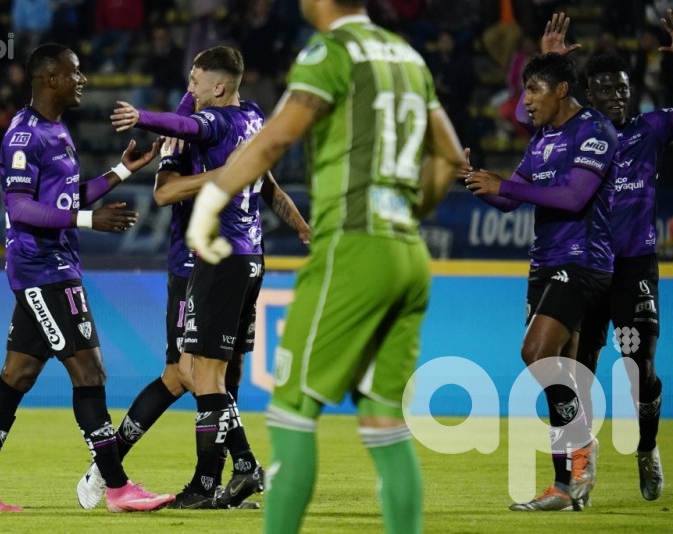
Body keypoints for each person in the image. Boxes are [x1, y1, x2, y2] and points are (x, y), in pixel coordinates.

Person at [186, 1, 465, 532]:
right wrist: (404, 213)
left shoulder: (329, 52)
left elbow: (272, 140)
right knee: (384, 422)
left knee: (291, 413)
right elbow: (449, 156)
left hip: (352, 249)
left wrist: (209, 201)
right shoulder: (407, 57)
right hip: (408, 254)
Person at [0, 43, 174, 513]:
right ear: (50, 79)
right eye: (75, 73)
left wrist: (119, 171)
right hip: (42, 268)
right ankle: (116, 488)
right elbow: (20, 207)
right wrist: (92, 222)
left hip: (54, 264)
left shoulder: (56, 130)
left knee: (18, 373)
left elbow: (69, 198)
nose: (83, 80)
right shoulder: (23, 136)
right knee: (89, 370)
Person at [76, 93, 310, 510]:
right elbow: (165, 192)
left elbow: (266, 183)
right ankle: (225, 470)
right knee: (188, 373)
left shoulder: (238, 123)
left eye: (198, 80)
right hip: (190, 265)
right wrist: (229, 171)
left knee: (208, 374)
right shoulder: (182, 138)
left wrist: (299, 224)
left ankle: (215, 476)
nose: (195, 89)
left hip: (222, 262)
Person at [110, 45, 282, 509]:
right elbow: (265, 180)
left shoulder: (218, 123)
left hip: (214, 258)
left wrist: (142, 116)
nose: (189, 90)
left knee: (195, 372)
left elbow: (183, 132)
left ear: (218, 87)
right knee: (217, 375)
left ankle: (208, 483)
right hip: (251, 254)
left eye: (195, 82)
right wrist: (298, 221)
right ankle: (239, 468)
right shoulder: (253, 116)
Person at [460, 51, 620, 511]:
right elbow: (510, 201)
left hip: (585, 258)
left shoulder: (594, 130)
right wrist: (475, 181)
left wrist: (505, 185)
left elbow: (574, 197)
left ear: (562, 90)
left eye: (533, 90)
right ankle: (565, 486)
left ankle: (582, 445)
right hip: (545, 261)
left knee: (535, 352)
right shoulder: (544, 139)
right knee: (562, 372)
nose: (525, 101)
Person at [525, 12, 669, 508]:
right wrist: (549, 66)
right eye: (606, 89)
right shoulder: (577, 135)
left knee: (638, 369)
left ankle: (647, 448)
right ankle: (575, 480)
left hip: (634, 268)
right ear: (586, 92)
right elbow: (537, 137)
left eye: (624, 88)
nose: (618, 96)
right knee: (575, 371)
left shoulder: (649, 130)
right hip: (589, 265)